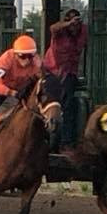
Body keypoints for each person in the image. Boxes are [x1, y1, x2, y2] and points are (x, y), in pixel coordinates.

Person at [0, 35, 42, 134]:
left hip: (22, 90)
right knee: (1, 101)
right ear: (15, 54)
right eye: (23, 56)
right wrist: (11, 92)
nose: (27, 60)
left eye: (30, 56)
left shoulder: (36, 62)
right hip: (4, 90)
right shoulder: (7, 59)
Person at [43, 8, 88, 148]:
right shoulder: (59, 32)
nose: (75, 26)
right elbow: (53, 27)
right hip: (51, 71)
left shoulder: (83, 31)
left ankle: (66, 142)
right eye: (72, 21)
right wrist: (68, 24)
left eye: (77, 22)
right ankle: (45, 139)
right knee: (48, 103)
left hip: (69, 73)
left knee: (68, 105)